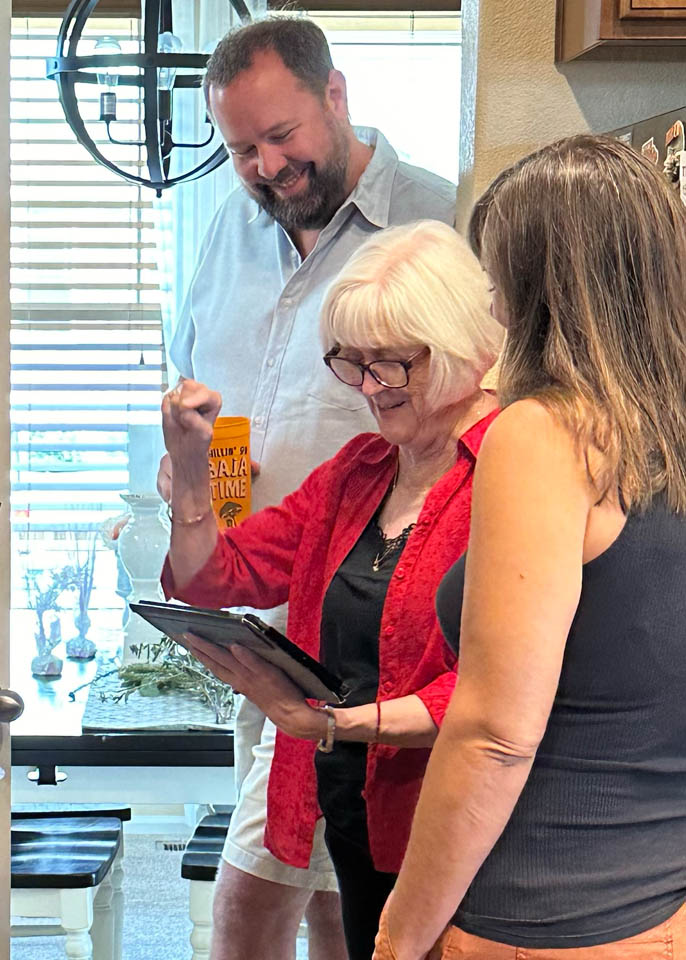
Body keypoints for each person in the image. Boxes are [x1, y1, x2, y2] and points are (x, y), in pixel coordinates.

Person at [158, 16, 458, 960]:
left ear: (336, 93)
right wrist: (199, 503)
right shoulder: (226, 232)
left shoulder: (442, 221)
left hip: (381, 610)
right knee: (283, 859)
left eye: (281, 136)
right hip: (264, 599)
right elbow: (209, 394)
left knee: (340, 884)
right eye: (241, 147)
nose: (265, 166)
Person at [372, 134, 686, 960]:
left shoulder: (546, 434)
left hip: (536, 920)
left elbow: (495, 736)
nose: (492, 303)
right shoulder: (669, 435)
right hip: (661, 907)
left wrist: (399, 935)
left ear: (539, 282)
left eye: (496, 276)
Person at [160, 220, 504, 960]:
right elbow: (211, 578)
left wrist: (331, 724)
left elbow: (497, 689)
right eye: (352, 363)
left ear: (461, 348)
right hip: (351, 804)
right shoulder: (360, 470)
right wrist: (191, 474)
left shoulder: (509, 472)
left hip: (450, 822)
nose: (370, 389)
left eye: (392, 365)